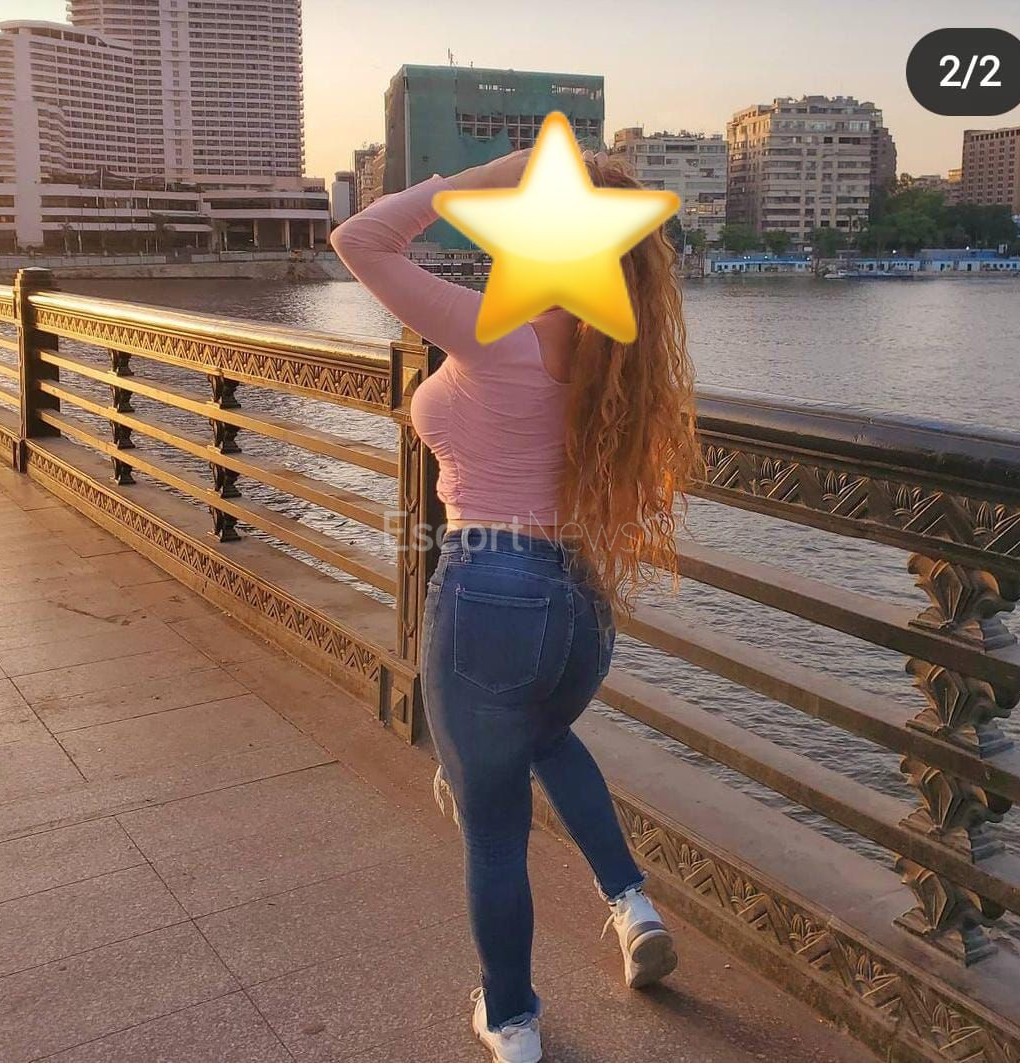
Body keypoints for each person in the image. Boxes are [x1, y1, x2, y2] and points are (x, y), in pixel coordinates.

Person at [330, 147, 699, 1063]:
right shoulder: (621, 353)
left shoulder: (493, 329)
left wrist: (492, 171)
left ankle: (512, 1021)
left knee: (493, 832)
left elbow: (361, 238)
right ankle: (633, 904)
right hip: (578, 607)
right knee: (544, 738)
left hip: (490, 591)